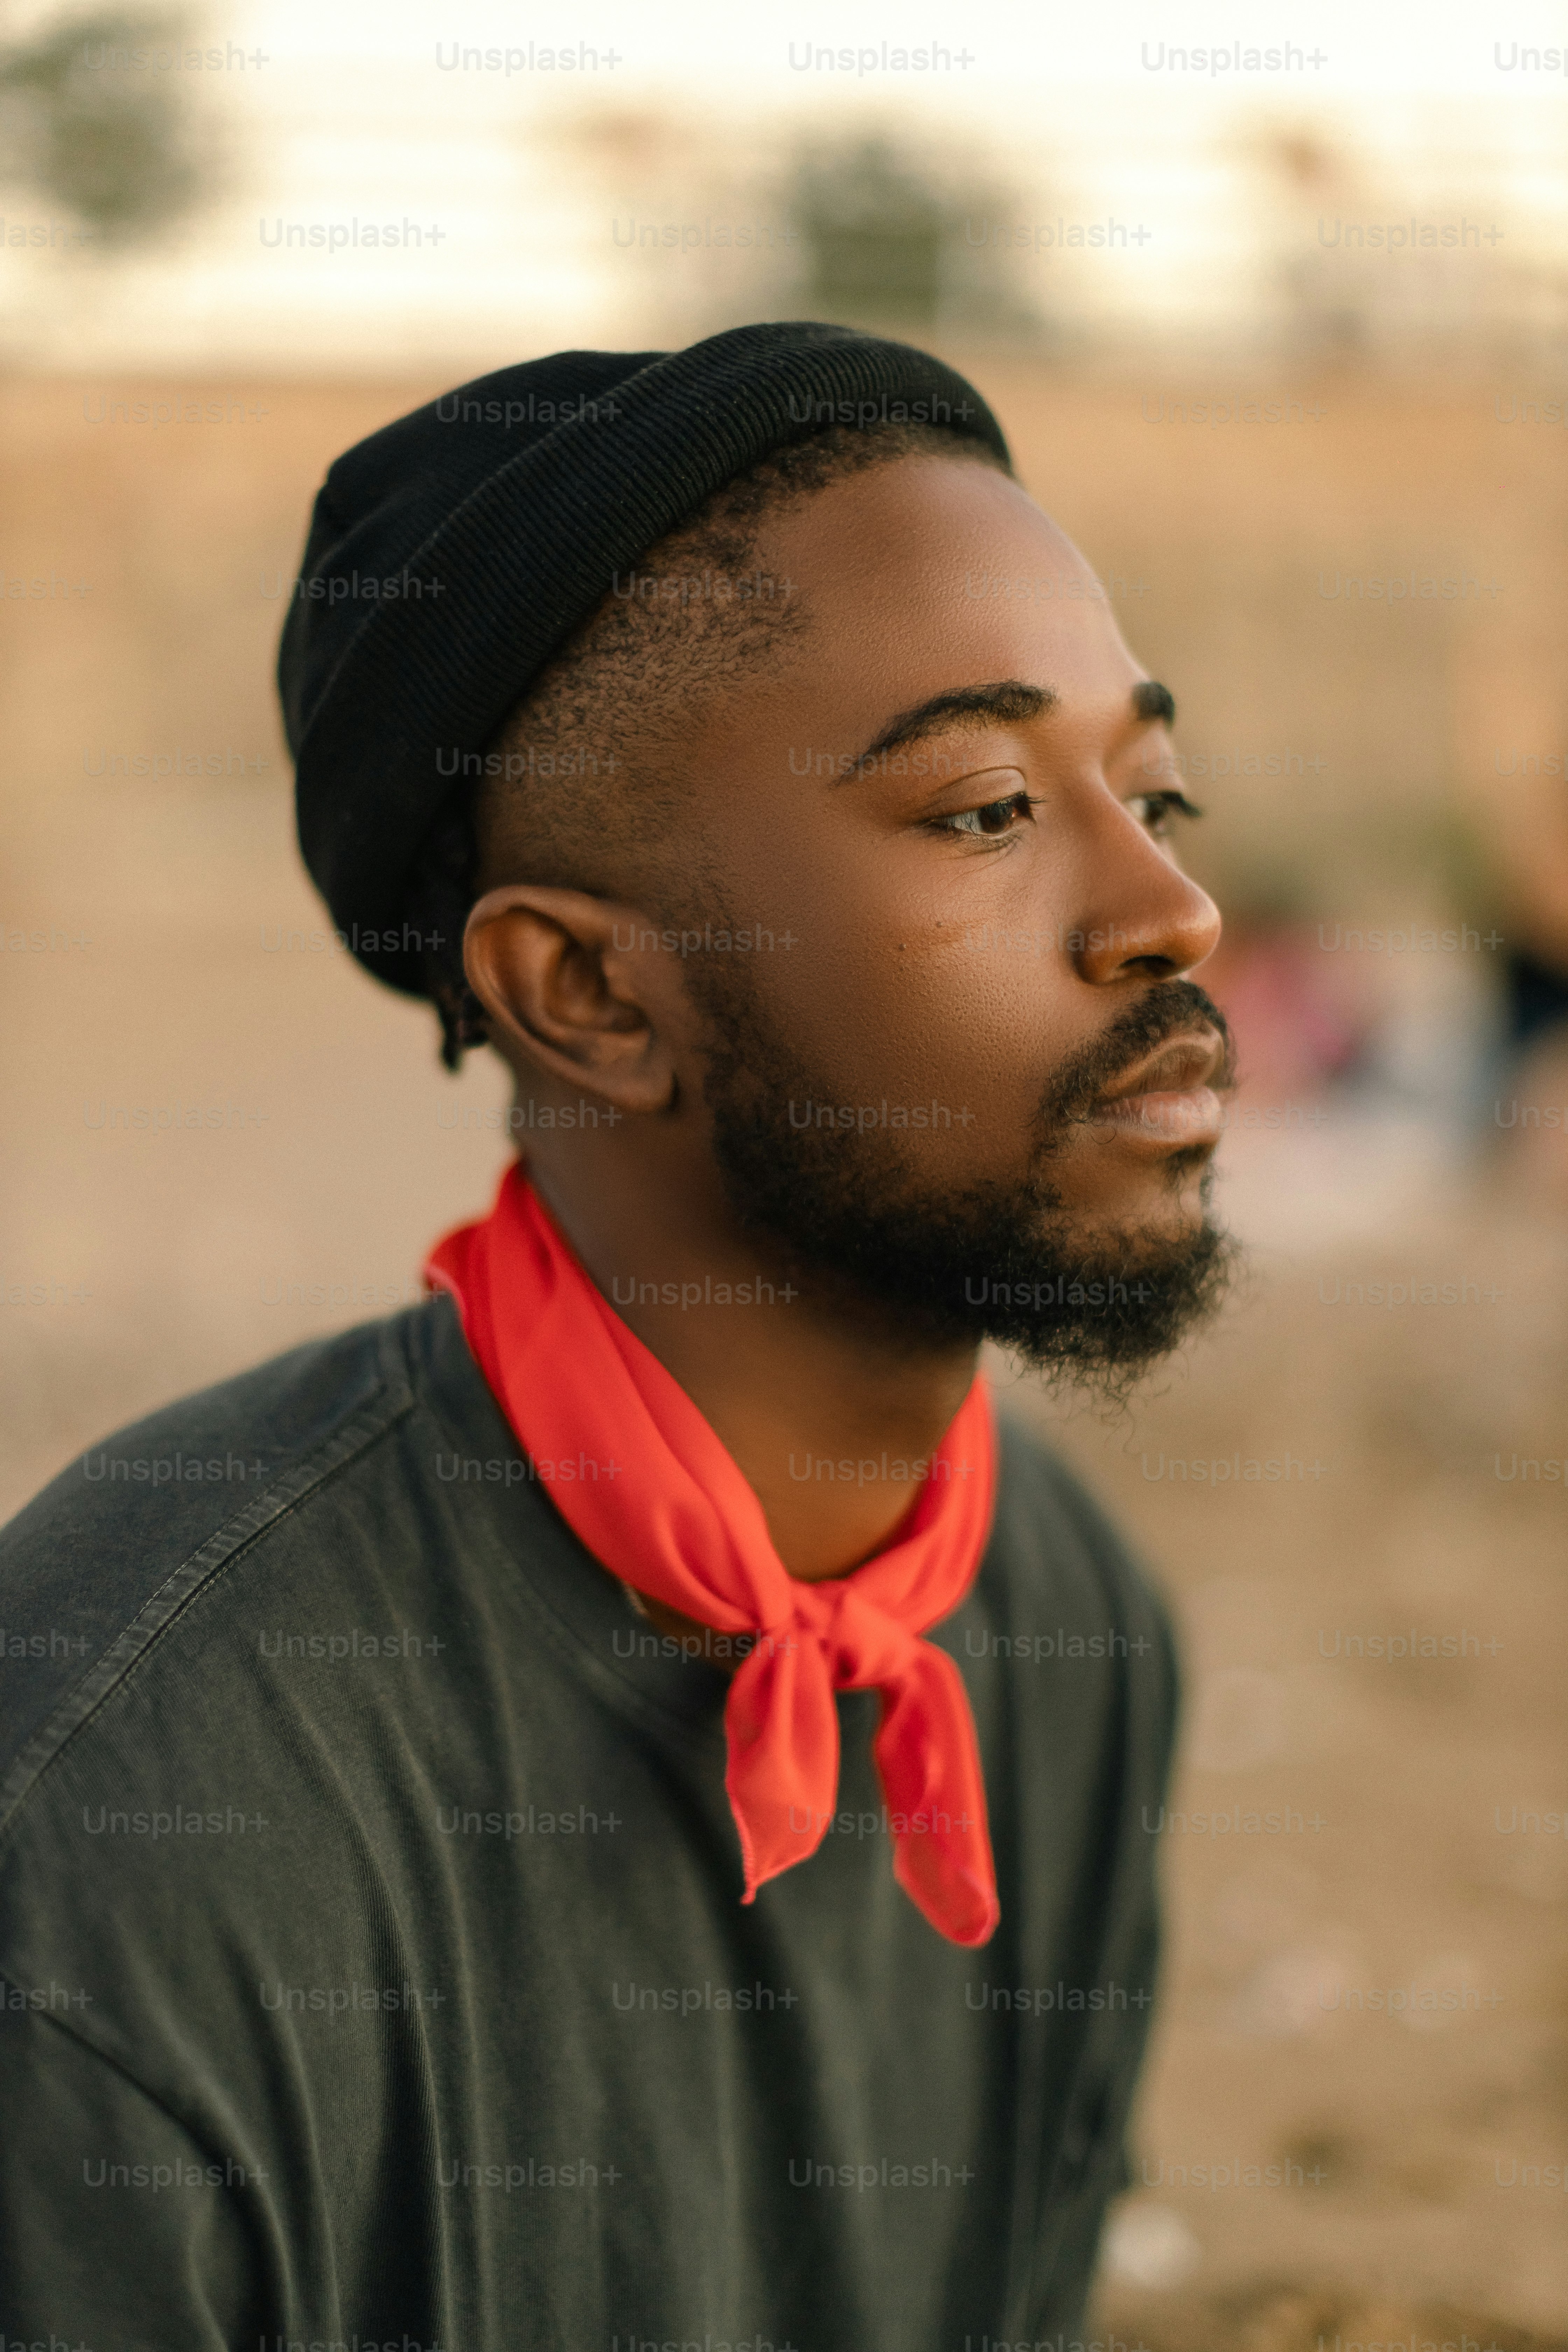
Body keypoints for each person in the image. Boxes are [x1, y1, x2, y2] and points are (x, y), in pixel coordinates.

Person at [0, 323, 1234, 2350]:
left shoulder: (1067, 1626)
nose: (1172, 908)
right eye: (993, 807)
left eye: (1159, 785)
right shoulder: (116, 1829)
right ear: (585, 993)